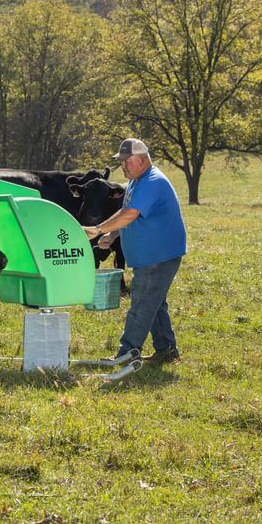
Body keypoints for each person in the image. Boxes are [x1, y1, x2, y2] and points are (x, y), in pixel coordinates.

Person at [83, 138, 187, 364]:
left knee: (141, 305)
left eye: (125, 162)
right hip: (149, 256)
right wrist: (112, 235)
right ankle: (167, 351)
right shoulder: (136, 182)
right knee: (154, 302)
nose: (122, 166)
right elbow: (130, 216)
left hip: (158, 256)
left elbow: (130, 214)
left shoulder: (152, 181)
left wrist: (99, 229)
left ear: (140, 159)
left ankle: (127, 354)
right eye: (120, 162)